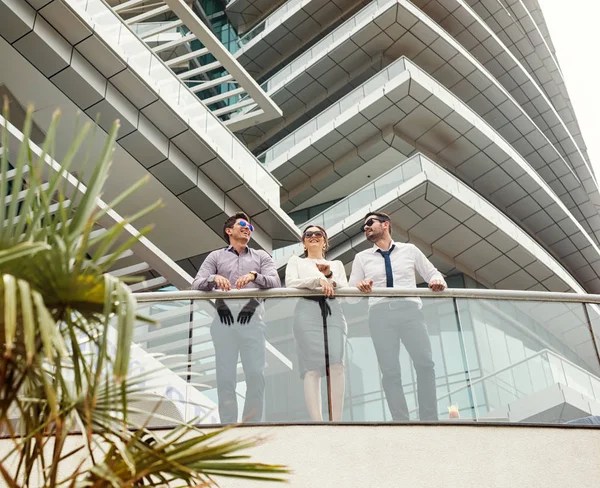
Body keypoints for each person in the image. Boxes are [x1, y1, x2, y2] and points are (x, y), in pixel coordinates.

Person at [349, 211, 446, 421]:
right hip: (380, 315)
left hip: (410, 311)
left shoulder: (409, 250)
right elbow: (350, 297)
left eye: (369, 223)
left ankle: (429, 419)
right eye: (363, 226)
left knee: (425, 363)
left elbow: (433, 273)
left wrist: (437, 281)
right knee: (390, 370)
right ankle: (400, 419)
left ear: (385, 225)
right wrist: (360, 287)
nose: (365, 228)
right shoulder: (361, 258)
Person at [192, 212, 280, 423]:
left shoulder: (261, 256)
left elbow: (276, 283)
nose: (247, 228)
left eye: (250, 226)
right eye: (242, 224)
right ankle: (228, 425)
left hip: (253, 321)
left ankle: (251, 424)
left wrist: (254, 276)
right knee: (225, 377)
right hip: (223, 321)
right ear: (229, 231)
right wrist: (214, 278)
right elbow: (196, 284)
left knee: (255, 374)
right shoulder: (216, 257)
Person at [285, 225, 348, 421]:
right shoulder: (296, 261)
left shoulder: (336, 264)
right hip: (306, 310)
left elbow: (344, 290)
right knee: (312, 368)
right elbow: (290, 284)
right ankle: (317, 421)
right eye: (308, 234)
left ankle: (336, 421)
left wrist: (328, 276)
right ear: (303, 242)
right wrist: (316, 280)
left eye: (318, 234)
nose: (313, 237)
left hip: (333, 311)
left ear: (324, 241)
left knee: (337, 364)